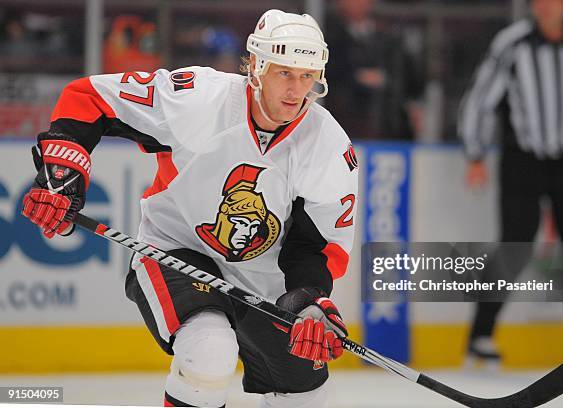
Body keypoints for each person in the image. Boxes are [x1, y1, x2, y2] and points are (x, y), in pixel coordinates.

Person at [21, 9, 358, 407]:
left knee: (307, 397)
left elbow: (314, 244)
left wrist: (310, 298)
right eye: (284, 73)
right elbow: (90, 98)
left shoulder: (329, 146)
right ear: (256, 67)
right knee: (208, 351)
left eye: (306, 76)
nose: (295, 89)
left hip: (264, 279)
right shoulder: (199, 98)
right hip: (176, 250)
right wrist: (62, 176)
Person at [459, 0, 563, 364]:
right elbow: (481, 98)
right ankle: (481, 336)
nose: (547, 5)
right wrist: (475, 153)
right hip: (523, 158)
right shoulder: (513, 43)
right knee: (514, 244)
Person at [325, 0, 424, 140]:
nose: (356, 3)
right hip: (346, 124)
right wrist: (354, 77)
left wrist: (412, 104)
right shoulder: (330, 36)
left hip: (387, 125)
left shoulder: (390, 37)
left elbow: (410, 79)